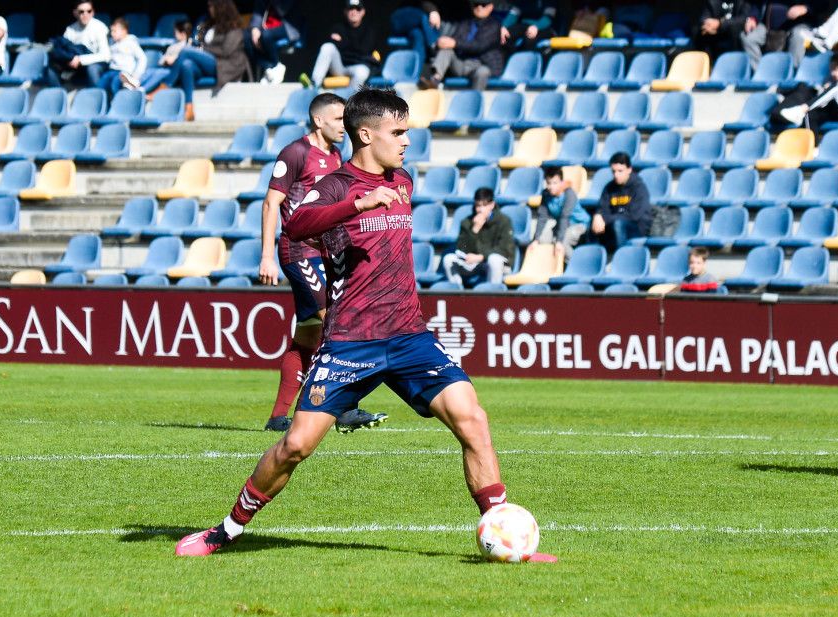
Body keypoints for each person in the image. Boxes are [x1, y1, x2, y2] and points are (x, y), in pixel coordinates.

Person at [176, 87, 556, 563]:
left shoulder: (404, 180)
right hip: (350, 343)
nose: (406, 140)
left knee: (473, 419)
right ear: (365, 133)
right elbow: (296, 225)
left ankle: (505, 536)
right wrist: (357, 205)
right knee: (295, 446)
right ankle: (225, 532)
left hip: (409, 336)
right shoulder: (336, 186)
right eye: (397, 132)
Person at [258, 92, 388, 433]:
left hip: (324, 254)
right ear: (318, 120)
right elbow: (272, 203)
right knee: (337, 321)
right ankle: (344, 408)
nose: (343, 126)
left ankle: (277, 418)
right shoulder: (296, 153)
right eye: (336, 119)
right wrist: (266, 257)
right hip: (298, 251)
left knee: (308, 335)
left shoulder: (336, 156)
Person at [168, 0, 251, 121]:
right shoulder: (209, 25)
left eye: (212, 6)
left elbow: (226, 51)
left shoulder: (234, 28)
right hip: (209, 63)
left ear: (221, 8)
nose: (209, 9)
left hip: (223, 65)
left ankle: (167, 84)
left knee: (185, 51)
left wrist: (202, 49)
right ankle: (189, 107)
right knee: (187, 65)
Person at [418, 0, 503, 91]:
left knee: (482, 72)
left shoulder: (494, 25)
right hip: (462, 63)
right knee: (447, 50)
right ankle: (434, 80)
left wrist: (455, 43)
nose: (479, 7)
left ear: (491, 7)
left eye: (483, 5)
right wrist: (443, 43)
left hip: (481, 64)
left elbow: (479, 46)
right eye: (476, 4)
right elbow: (455, 38)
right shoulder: (465, 23)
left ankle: (474, 99)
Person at [441, 188, 516, 288]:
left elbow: (504, 249)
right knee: (448, 259)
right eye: (478, 205)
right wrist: (475, 229)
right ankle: (457, 292)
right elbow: (461, 248)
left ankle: (493, 294)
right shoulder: (467, 222)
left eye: (484, 205)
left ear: (492, 205)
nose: (480, 209)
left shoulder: (504, 221)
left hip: (494, 263)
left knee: (494, 259)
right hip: (473, 263)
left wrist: (481, 257)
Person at [301, 0, 380, 90]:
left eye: (357, 9)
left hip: (358, 67)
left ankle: (352, 100)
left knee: (362, 72)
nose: (354, 12)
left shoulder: (369, 31)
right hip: (340, 67)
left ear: (363, 12)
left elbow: (363, 50)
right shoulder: (338, 28)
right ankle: (314, 85)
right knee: (328, 47)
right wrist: (350, 46)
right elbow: (333, 48)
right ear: (345, 11)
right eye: (350, 9)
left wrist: (343, 42)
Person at [772, 52, 838, 130]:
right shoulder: (829, 78)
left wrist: (834, 90)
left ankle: (801, 109)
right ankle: (781, 109)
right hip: (825, 108)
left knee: (834, 89)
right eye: (832, 69)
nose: (834, 73)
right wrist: (823, 89)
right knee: (803, 87)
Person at [591, 152, 653, 255]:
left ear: (629, 169)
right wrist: (597, 216)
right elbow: (602, 208)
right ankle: (594, 262)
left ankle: (622, 260)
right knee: (594, 224)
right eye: (613, 171)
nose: (616, 175)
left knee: (618, 224)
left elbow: (634, 216)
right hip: (614, 224)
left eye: (620, 171)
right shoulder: (609, 188)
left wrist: (604, 218)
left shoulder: (639, 187)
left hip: (636, 228)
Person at [46, 1, 110, 88]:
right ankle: (58, 95)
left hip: (96, 63)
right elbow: (65, 51)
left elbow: (105, 56)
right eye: (81, 11)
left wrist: (80, 59)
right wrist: (68, 60)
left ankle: (97, 97)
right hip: (75, 64)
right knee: (49, 68)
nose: (85, 14)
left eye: (89, 11)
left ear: (93, 12)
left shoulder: (100, 27)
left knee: (92, 69)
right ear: (75, 13)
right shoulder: (70, 29)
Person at [531, 166, 589, 260]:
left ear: (561, 182)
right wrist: (536, 239)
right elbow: (542, 217)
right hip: (562, 225)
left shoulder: (569, 194)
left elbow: (564, 217)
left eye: (555, 183)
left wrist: (559, 240)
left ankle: (578, 265)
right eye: (549, 183)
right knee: (541, 240)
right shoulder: (546, 195)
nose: (551, 186)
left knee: (562, 243)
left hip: (579, 225)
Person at [695, 0, 769, 67]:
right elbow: (704, 18)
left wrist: (720, 24)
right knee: (699, 33)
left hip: (734, 36)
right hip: (716, 34)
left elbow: (743, 19)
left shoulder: (744, 2)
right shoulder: (713, 1)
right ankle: (706, 69)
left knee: (740, 34)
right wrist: (711, 26)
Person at [249, 0, 302, 84]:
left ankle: (274, 65)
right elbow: (258, 12)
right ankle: (271, 67)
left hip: (287, 27)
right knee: (246, 37)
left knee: (266, 35)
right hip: (265, 28)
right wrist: (255, 28)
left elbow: (282, 9)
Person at [138, 20, 193, 98]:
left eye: (176, 32)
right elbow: (161, 60)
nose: (174, 34)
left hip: (174, 71)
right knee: (150, 71)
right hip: (165, 67)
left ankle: (143, 89)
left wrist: (174, 60)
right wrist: (166, 60)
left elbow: (185, 60)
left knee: (160, 73)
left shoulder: (189, 45)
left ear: (183, 34)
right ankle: (137, 83)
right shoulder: (173, 46)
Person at [99, 18, 147, 95]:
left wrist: (136, 75)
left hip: (124, 72)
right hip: (112, 70)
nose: (112, 33)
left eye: (115, 31)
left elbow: (142, 58)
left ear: (124, 31)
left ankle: (118, 103)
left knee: (115, 84)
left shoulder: (131, 43)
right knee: (101, 83)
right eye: (111, 31)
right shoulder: (112, 43)